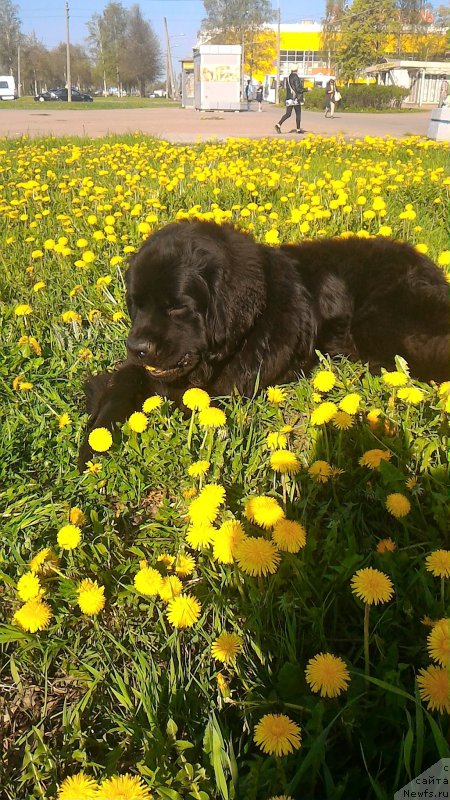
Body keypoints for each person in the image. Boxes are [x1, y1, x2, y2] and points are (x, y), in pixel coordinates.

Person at [275, 69, 307, 134]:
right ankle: (298, 129)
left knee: (288, 114)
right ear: (296, 70)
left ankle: (278, 125)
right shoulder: (296, 77)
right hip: (295, 99)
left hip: (289, 98)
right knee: (298, 114)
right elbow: (298, 89)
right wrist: (306, 89)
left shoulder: (288, 77)